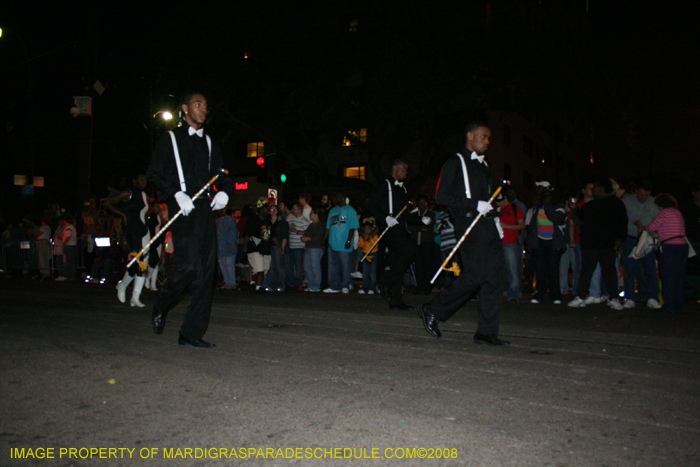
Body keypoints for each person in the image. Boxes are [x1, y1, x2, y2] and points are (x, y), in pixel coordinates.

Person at [147, 92, 233, 348]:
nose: (204, 108)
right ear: (184, 109)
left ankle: (191, 333)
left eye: (206, 105)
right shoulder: (169, 139)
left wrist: (225, 192)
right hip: (182, 211)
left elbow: (222, 176)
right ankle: (162, 301)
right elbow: (153, 174)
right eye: (198, 104)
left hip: (205, 211)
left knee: (206, 274)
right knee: (189, 267)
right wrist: (176, 194)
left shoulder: (210, 144)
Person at [417, 122, 509, 346]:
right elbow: (442, 196)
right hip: (468, 223)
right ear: (470, 136)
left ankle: (486, 332)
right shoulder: (455, 162)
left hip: (488, 226)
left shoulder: (487, 167)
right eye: (483, 137)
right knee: (474, 276)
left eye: (489, 138)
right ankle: (432, 309)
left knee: (495, 280)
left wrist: (495, 218)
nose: (487, 141)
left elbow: (488, 198)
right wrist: (473, 205)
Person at [367, 160, 423, 309]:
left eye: (406, 169)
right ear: (394, 168)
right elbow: (371, 204)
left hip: (400, 227)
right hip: (389, 229)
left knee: (398, 261)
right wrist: (385, 217)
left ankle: (396, 300)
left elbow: (403, 214)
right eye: (403, 169)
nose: (405, 172)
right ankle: (386, 280)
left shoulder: (402, 189)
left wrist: (420, 220)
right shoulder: (385, 185)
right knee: (409, 251)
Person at [568, 178, 627, 310]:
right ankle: (581, 296)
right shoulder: (591, 205)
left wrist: (619, 239)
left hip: (607, 243)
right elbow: (580, 221)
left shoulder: (615, 203)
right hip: (591, 244)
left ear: (603, 189)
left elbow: (622, 222)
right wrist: (574, 210)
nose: (593, 189)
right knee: (587, 271)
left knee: (609, 271)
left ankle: (613, 297)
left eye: (596, 187)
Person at [105, 174, 151, 307]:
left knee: (143, 263)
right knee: (138, 263)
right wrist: (123, 214)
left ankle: (135, 296)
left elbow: (143, 212)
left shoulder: (143, 195)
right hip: (132, 232)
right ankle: (123, 285)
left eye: (145, 180)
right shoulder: (128, 193)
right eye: (141, 179)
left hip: (144, 231)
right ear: (134, 181)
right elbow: (107, 203)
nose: (144, 182)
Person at [646, 194, 689, 313]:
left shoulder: (665, 213)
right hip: (682, 245)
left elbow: (652, 227)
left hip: (670, 246)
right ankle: (678, 304)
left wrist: (644, 227)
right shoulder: (677, 212)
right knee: (679, 277)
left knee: (667, 276)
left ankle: (669, 305)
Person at [620, 181, 661, 309]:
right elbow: (623, 217)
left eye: (646, 195)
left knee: (649, 268)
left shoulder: (654, 202)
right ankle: (630, 297)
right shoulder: (627, 200)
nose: (643, 197)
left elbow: (657, 220)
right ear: (636, 191)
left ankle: (652, 297)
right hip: (631, 238)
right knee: (630, 268)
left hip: (647, 239)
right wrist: (636, 223)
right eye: (641, 194)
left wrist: (647, 229)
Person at [526, 187, 568, 304]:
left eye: (549, 196)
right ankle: (540, 294)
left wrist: (548, 207)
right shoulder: (538, 208)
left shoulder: (559, 208)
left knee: (553, 270)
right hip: (540, 242)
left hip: (554, 243)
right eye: (545, 196)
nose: (546, 198)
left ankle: (555, 295)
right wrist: (530, 242)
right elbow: (532, 226)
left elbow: (557, 220)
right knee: (540, 270)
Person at [324, 191, 359, 294]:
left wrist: (349, 240)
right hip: (332, 242)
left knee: (345, 266)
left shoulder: (350, 210)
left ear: (344, 198)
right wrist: (324, 241)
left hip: (344, 243)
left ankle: (345, 285)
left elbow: (353, 227)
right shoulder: (333, 211)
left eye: (339, 197)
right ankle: (334, 286)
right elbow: (328, 227)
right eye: (336, 198)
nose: (337, 199)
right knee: (332, 265)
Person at [496, 189, 525, 302]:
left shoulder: (515, 208)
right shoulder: (497, 210)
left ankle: (513, 295)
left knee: (513, 270)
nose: (498, 203)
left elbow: (522, 226)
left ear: (505, 199)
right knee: (500, 270)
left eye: (500, 201)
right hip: (498, 243)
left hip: (511, 243)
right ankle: (503, 291)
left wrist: (507, 226)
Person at [407, 194, 436, 295]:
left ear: (427, 204)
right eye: (420, 202)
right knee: (419, 265)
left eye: (424, 202)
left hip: (427, 243)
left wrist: (419, 227)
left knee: (427, 265)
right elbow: (410, 226)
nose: (422, 204)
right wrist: (420, 228)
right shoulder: (414, 215)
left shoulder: (430, 214)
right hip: (416, 243)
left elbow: (429, 226)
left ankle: (427, 287)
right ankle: (419, 286)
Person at [244, 200, 272, 292]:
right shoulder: (253, 220)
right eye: (266, 208)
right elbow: (247, 233)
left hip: (265, 247)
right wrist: (245, 245)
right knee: (259, 268)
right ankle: (252, 281)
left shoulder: (268, 221)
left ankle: (258, 287)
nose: (268, 210)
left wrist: (279, 246)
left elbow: (272, 235)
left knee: (264, 269)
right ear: (261, 210)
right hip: (254, 247)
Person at [263, 204, 287, 292]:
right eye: (271, 209)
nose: (273, 211)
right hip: (269, 246)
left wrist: (282, 247)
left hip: (278, 245)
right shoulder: (267, 221)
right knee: (271, 266)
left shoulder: (281, 221)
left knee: (279, 266)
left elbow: (285, 235)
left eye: (275, 209)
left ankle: (281, 284)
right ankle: (273, 284)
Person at [301, 206, 326, 292]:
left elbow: (318, 237)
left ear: (316, 215)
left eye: (311, 213)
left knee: (315, 267)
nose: (310, 215)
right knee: (307, 267)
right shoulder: (311, 225)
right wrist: (303, 237)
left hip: (315, 248)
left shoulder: (320, 225)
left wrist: (307, 238)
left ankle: (316, 285)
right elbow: (307, 233)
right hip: (309, 247)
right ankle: (311, 284)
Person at [286, 203, 310, 291]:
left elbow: (307, 233)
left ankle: (298, 283)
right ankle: (290, 283)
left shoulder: (304, 220)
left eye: (294, 209)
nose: (293, 210)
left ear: (300, 210)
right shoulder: (290, 218)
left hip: (299, 246)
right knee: (289, 265)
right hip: (290, 245)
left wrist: (297, 231)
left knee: (298, 266)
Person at [216, 208, 239, 290]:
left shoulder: (228, 220)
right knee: (223, 265)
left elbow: (233, 232)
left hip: (228, 247)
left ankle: (232, 283)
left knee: (229, 265)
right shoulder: (218, 221)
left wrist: (232, 242)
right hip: (221, 247)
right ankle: (227, 282)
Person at [357, 222, 379, 294]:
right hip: (365, 254)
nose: (367, 231)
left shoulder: (374, 236)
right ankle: (364, 288)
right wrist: (363, 239)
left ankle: (372, 288)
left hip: (373, 254)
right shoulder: (362, 236)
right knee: (365, 272)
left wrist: (370, 239)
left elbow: (375, 245)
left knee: (372, 273)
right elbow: (361, 245)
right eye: (365, 229)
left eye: (368, 229)